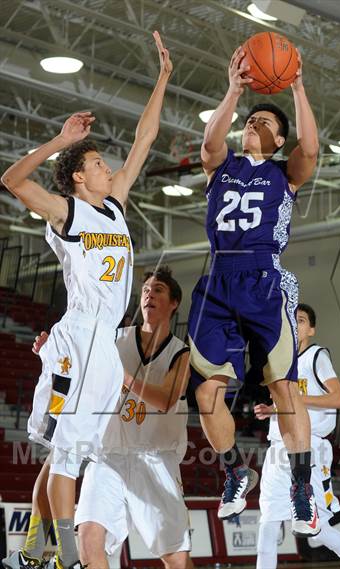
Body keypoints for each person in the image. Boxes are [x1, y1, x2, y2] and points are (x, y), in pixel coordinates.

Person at [1, 31, 172, 569]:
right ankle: (65, 557)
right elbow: (11, 179)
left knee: (68, 451)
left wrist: (163, 78)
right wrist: (57, 140)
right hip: (79, 337)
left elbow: (146, 139)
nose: (108, 167)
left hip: (105, 341)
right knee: (65, 451)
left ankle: (34, 552)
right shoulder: (67, 212)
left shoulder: (114, 209)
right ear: (79, 175)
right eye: (98, 163)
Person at [187, 45, 320, 535]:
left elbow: (310, 149)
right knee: (205, 393)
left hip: (264, 278)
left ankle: (302, 485)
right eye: (250, 119)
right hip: (218, 278)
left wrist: (298, 87)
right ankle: (234, 472)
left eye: (263, 121)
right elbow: (209, 139)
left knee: (283, 387)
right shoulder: (221, 167)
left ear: (279, 137)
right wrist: (234, 89)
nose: (252, 123)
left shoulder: (286, 174)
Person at [4, 267, 193, 569]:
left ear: (174, 303)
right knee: (89, 543)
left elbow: (168, 399)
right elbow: (75, 366)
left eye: (158, 290)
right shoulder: (113, 339)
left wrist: (125, 378)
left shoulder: (181, 352)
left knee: (177, 560)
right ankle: (37, 550)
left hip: (155, 459)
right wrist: (52, 353)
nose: (149, 295)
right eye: (145, 290)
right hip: (108, 456)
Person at [255, 303, 340, 569]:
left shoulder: (317, 355)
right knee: (268, 522)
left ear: (311, 329)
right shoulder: (279, 362)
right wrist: (272, 410)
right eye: (291, 320)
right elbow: (291, 406)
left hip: (311, 448)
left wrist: (296, 398)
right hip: (278, 448)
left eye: (301, 320)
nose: (295, 324)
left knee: (317, 529)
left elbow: (339, 398)